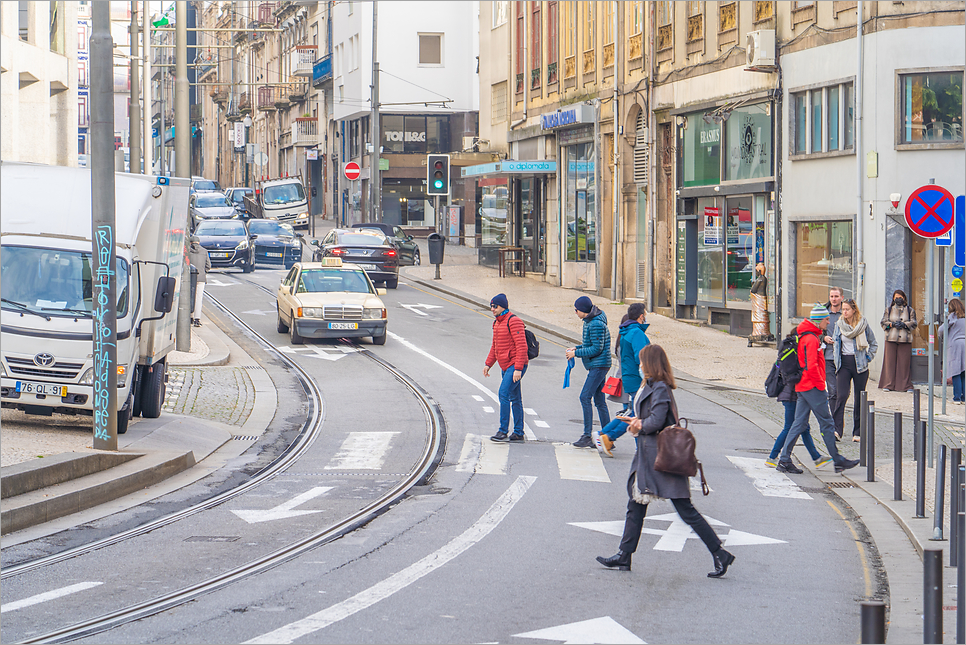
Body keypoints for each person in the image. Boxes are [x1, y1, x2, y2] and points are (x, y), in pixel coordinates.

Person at [595, 344, 736, 578]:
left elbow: (657, 421)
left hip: (661, 456)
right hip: (649, 455)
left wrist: (640, 424)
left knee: (685, 509)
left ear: (650, 364)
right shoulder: (649, 385)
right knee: (636, 503)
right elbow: (649, 417)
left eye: (642, 362)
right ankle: (624, 554)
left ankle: (719, 553)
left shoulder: (660, 387)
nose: (639, 366)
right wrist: (636, 419)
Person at [777, 304, 860, 474]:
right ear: (819, 320)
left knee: (799, 423)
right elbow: (811, 366)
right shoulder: (812, 339)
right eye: (826, 319)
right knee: (827, 424)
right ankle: (838, 461)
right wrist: (821, 385)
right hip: (812, 387)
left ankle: (784, 459)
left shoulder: (807, 335)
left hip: (803, 386)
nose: (829, 322)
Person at [599, 303, 651, 457]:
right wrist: (649, 377)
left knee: (632, 412)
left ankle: (605, 434)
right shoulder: (636, 333)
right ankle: (608, 436)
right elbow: (641, 358)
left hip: (628, 379)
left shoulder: (626, 331)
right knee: (636, 414)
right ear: (641, 316)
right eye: (645, 314)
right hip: (637, 380)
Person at [566, 296, 612, 448]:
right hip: (598, 365)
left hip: (599, 365)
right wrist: (577, 348)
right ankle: (608, 437)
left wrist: (576, 354)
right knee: (599, 401)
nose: (575, 312)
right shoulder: (589, 321)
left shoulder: (596, 324)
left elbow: (596, 348)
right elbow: (589, 344)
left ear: (584, 310)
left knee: (585, 397)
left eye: (576, 309)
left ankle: (587, 435)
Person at [483, 293, 529, 443]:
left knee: (503, 393)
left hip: (515, 364)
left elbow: (522, 346)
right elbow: (495, 346)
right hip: (506, 365)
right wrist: (488, 364)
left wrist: (518, 368)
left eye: (494, 306)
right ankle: (518, 432)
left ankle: (503, 431)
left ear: (503, 306)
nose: (492, 309)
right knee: (515, 398)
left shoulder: (513, 321)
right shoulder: (496, 323)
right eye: (491, 306)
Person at [832, 298, 878, 442]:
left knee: (859, 398)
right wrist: (836, 361)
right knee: (842, 396)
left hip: (860, 365)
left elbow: (873, 344)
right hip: (844, 364)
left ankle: (857, 432)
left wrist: (867, 358)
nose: (844, 312)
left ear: (853, 310)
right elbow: (835, 343)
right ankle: (837, 430)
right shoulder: (839, 325)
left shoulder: (862, 324)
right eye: (843, 309)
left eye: (847, 309)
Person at [765, 373, 831, 470]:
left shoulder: (785, 358)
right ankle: (772, 457)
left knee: (804, 427)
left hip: (790, 394)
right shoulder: (794, 358)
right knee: (790, 427)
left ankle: (817, 458)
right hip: (792, 396)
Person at [879, 289, 918, 392]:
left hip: (905, 339)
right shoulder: (889, 310)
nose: (898, 299)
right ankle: (888, 384)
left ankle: (904, 385)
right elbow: (883, 323)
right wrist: (892, 324)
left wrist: (905, 325)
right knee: (889, 362)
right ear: (893, 298)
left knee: (904, 363)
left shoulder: (910, 310)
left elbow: (914, 323)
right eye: (896, 298)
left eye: (900, 297)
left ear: (904, 298)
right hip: (891, 337)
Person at [822, 287, 844, 426]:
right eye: (831, 296)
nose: (833, 299)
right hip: (828, 357)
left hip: (843, 357)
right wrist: (824, 338)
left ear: (841, 297)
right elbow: (816, 329)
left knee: (842, 393)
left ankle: (838, 420)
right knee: (832, 392)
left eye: (836, 296)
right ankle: (835, 425)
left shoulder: (847, 313)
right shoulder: (824, 312)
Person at [939, 298, 966, 404]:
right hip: (964, 344)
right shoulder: (964, 317)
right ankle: (964, 397)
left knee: (955, 372)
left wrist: (941, 336)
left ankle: (957, 398)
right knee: (963, 372)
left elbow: (941, 329)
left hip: (955, 345)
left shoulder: (952, 316)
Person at [188, 235, 211, 328]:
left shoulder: (187, 251)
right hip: (200, 277)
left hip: (190, 277)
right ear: (198, 242)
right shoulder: (204, 251)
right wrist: (202, 272)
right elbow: (208, 266)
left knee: (189, 297)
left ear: (190, 242)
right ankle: (197, 319)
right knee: (198, 298)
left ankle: (190, 317)